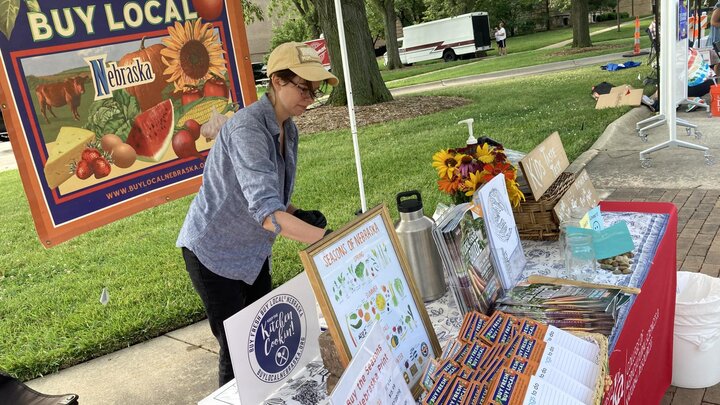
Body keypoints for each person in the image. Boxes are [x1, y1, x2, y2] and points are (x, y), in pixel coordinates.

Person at [176, 41, 338, 386]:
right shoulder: (249, 128)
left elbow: (269, 197)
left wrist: (299, 213)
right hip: (213, 253)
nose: (310, 96)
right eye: (304, 87)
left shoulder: (287, 126)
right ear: (277, 81)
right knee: (238, 354)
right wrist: (330, 242)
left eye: (316, 89)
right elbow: (268, 215)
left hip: (251, 251)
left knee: (265, 341)